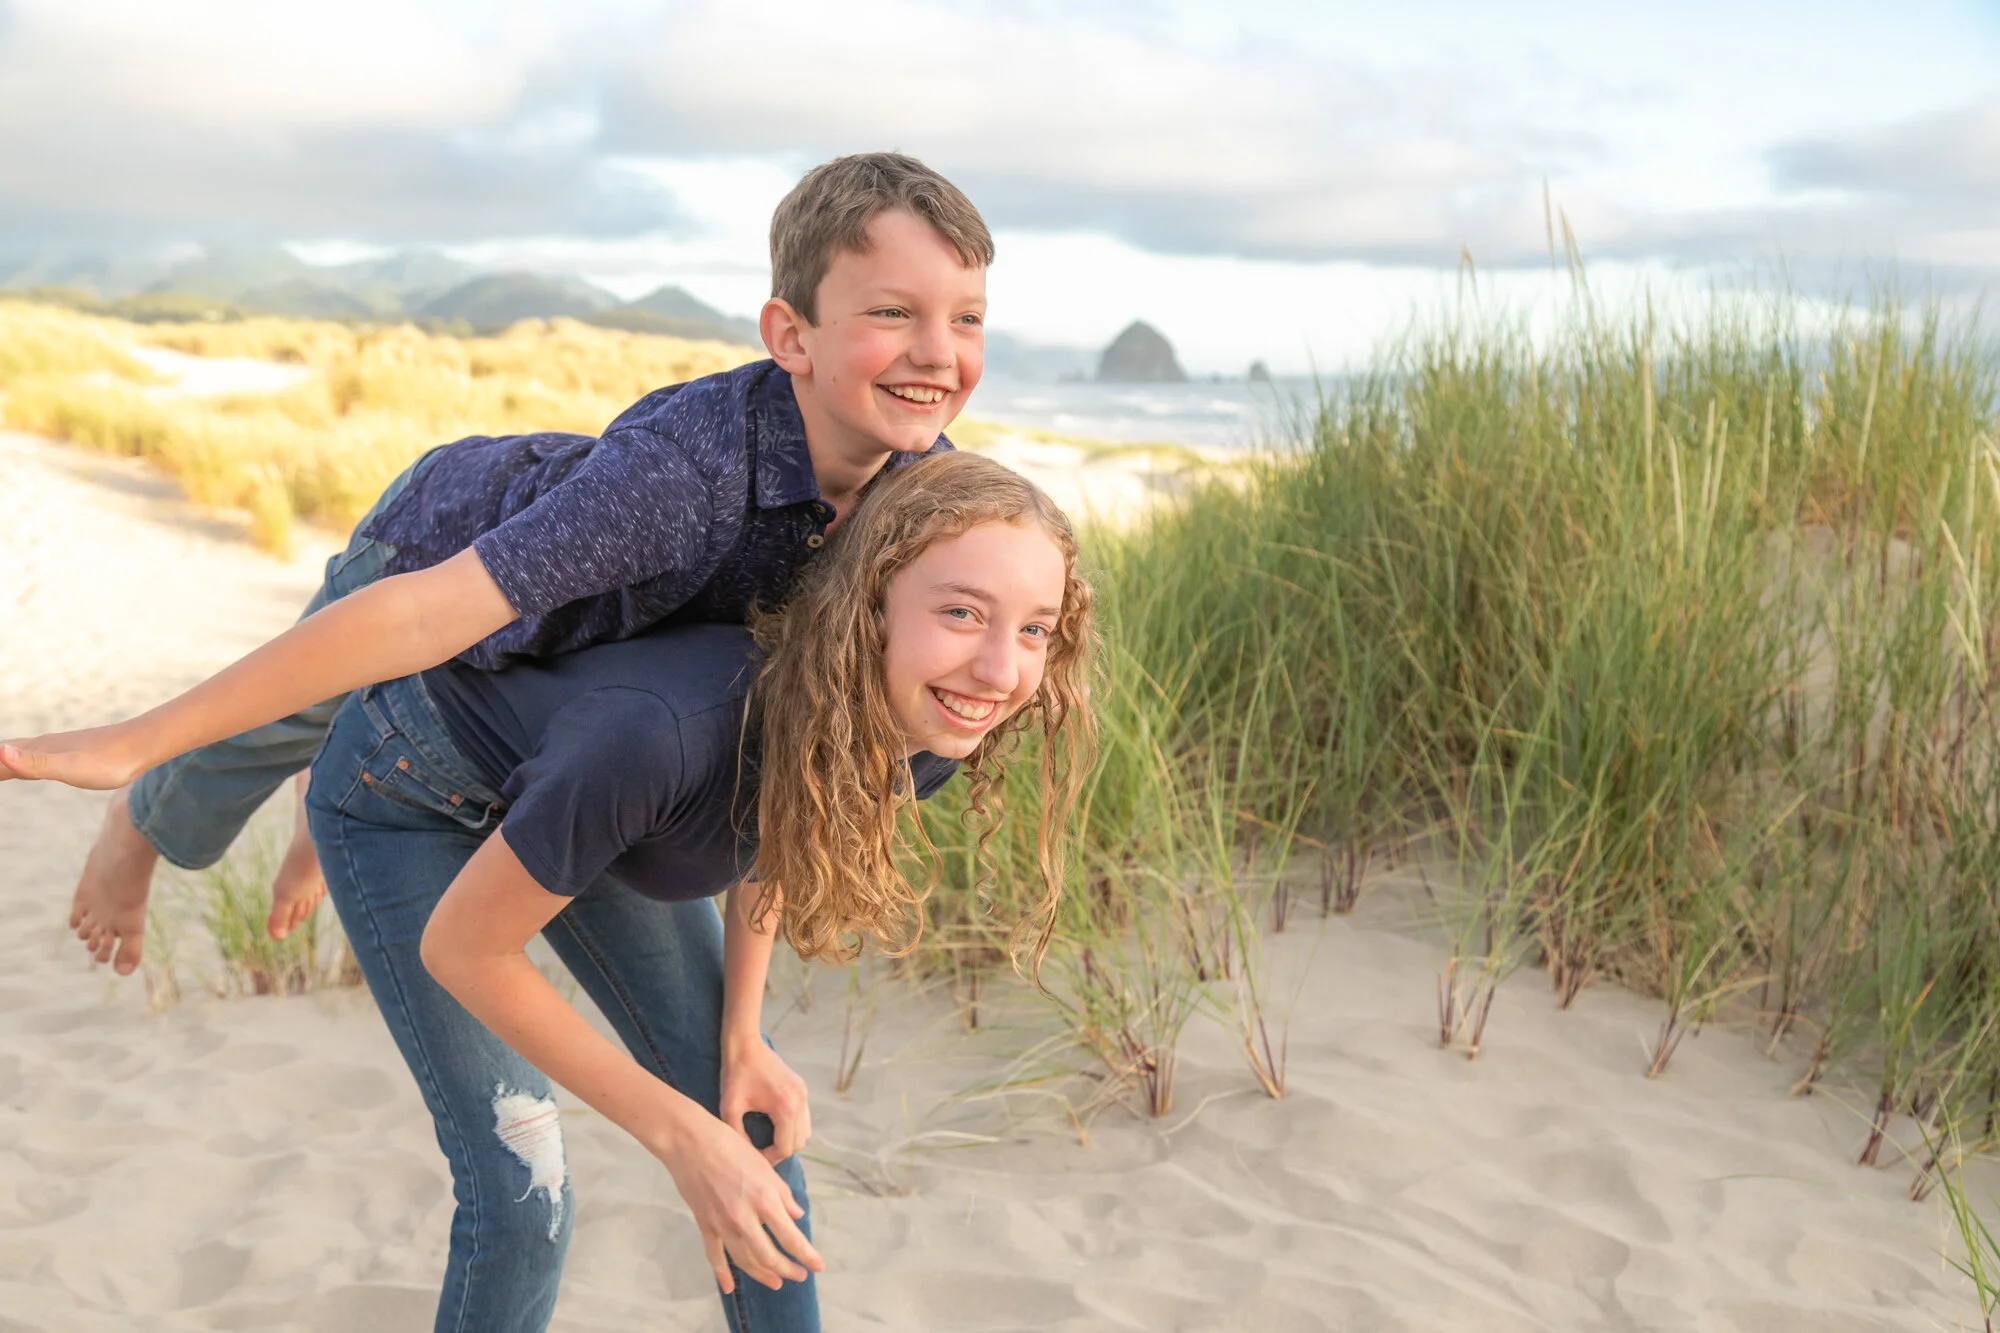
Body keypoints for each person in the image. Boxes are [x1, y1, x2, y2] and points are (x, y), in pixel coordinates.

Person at [0, 150, 996, 978]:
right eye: (891, 314)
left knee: (361, 722)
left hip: (579, 638)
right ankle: (144, 822)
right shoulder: (685, 474)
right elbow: (416, 617)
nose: (936, 353)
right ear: (792, 335)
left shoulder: (918, 497)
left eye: (964, 319)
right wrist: (135, 736)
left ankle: (317, 801)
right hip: (436, 548)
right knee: (285, 715)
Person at [305, 452, 1096, 1332]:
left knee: (748, 1123)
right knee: (526, 1184)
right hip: (410, 789)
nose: (998, 670)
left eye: (1035, 630)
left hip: (593, 807)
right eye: (961, 613)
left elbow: (782, 819)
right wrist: (681, 1140)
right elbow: (464, 949)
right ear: (870, 604)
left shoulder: (930, 718)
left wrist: (743, 1034)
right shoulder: (664, 737)